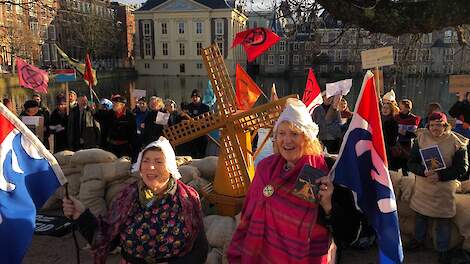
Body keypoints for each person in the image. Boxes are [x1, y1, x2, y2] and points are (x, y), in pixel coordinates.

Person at [227, 98, 361, 263]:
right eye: (282, 133)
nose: (287, 140)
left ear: (308, 138)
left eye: (295, 134)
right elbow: (248, 215)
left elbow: (351, 234)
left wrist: (329, 206)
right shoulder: (265, 168)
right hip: (263, 257)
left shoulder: (327, 171)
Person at [62, 137, 208, 263]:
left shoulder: (187, 198)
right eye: (146, 161)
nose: (151, 166)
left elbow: (200, 249)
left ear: (169, 167)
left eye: (158, 161)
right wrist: (81, 214)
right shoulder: (126, 198)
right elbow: (107, 238)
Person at [407, 112, 468, 263]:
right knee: (420, 217)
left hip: (444, 191)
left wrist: (441, 176)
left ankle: (442, 251)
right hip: (423, 188)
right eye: (432, 125)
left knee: (443, 221)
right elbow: (411, 162)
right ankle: (418, 242)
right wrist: (423, 171)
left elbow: (462, 168)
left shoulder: (456, 142)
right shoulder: (421, 138)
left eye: (439, 125)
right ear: (428, 125)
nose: (435, 128)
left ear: (445, 125)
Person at [394, 99, 420, 175]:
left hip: (407, 144)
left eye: (401, 106)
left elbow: (414, 133)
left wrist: (404, 132)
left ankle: (406, 179)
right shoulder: (396, 117)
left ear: (407, 107)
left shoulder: (413, 119)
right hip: (396, 143)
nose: (399, 107)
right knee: (396, 163)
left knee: (405, 164)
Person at [186, 89, 210, 158]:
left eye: (196, 97)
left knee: (202, 152)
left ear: (200, 98)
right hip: (191, 133)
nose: (195, 98)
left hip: (202, 133)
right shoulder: (189, 107)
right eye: (193, 97)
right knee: (192, 153)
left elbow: (208, 120)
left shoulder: (205, 108)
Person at [381, 102, 399, 171]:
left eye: (387, 108)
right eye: (384, 108)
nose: (385, 110)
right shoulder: (378, 119)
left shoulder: (393, 121)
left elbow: (393, 138)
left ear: (391, 110)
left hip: (387, 148)